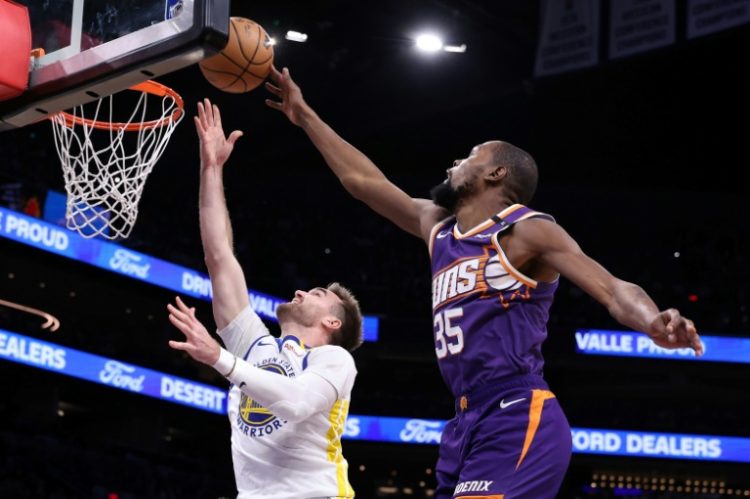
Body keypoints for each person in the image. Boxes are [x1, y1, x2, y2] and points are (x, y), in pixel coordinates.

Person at [264, 68, 703, 498]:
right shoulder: (437, 227)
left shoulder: (526, 230)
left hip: (516, 411)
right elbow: (363, 182)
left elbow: (611, 288)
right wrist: (306, 116)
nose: (455, 163)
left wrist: (652, 323)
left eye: (470, 156)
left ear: (496, 175)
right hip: (462, 421)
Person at [166, 98, 363, 499]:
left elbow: (295, 402)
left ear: (332, 323)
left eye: (317, 294)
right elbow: (219, 255)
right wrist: (211, 168)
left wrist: (218, 357)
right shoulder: (254, 344)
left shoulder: (333, 360)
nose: (301, 291)